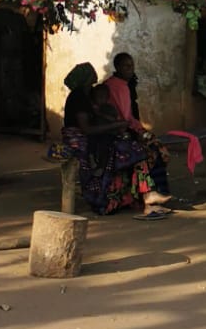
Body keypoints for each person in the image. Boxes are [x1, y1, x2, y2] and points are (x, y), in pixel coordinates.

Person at [62, 63, 171, 217]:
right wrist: (116, 125)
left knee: (137, 149)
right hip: (83, 138)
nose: (93, 81)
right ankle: (120, 198)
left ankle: (142, 196)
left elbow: (99, 119)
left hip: (95, 135)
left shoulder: (87, 97)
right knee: (132, 152)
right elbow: (86, 129)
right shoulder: (79, 97)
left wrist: (115, 126)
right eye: (90, 78)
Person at [101, 52, 172, 196]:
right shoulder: (114, 86)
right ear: (118, 67)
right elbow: (125, 117)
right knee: (153, 151)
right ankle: (154, 192)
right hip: (118, 132)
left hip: (126, 128)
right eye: (127, 66)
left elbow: (129, 116)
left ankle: (156, 192)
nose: (131, 69)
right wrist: (139, 131)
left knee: (157, 148)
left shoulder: (123, 85)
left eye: (132, 65)